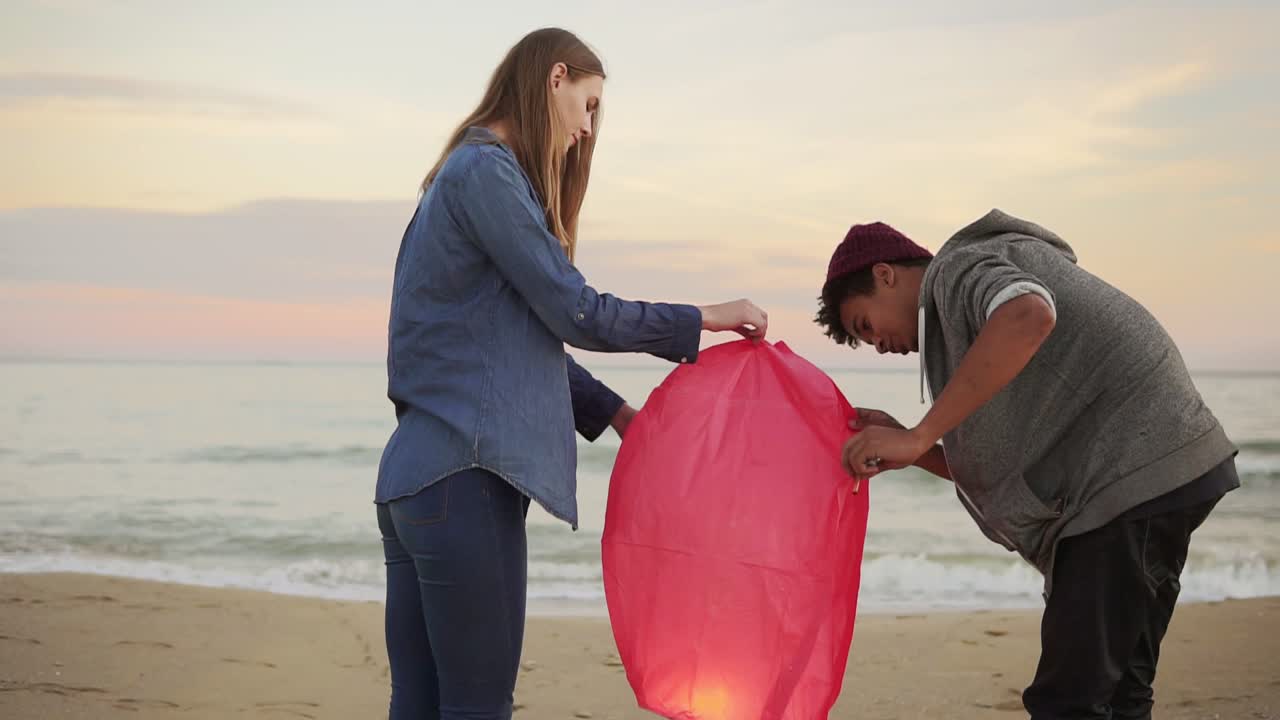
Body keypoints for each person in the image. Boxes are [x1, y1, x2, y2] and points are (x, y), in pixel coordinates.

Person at [374, 27, 768, 720]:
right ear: (554, 78)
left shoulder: (453, 181)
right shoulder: (488, 173)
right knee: (477, 707)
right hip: (466, 483)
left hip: (413, 486)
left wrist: (616, 415)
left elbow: (510, 343)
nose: (587, 130)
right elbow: (576, 311)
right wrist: (704, 317)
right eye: (588, 106)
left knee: (421, 703)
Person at [817, 212, 1238, 719]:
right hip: (1161, 472)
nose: (880, 346)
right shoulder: (964, 329)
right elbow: (999, 463)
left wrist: (919, 434)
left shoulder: (955, 270)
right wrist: (915, 449)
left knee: (1067, 701)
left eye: (866, 326)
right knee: (1121, 692)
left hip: (1127, 480)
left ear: (885, 274)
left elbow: (1028, 314)